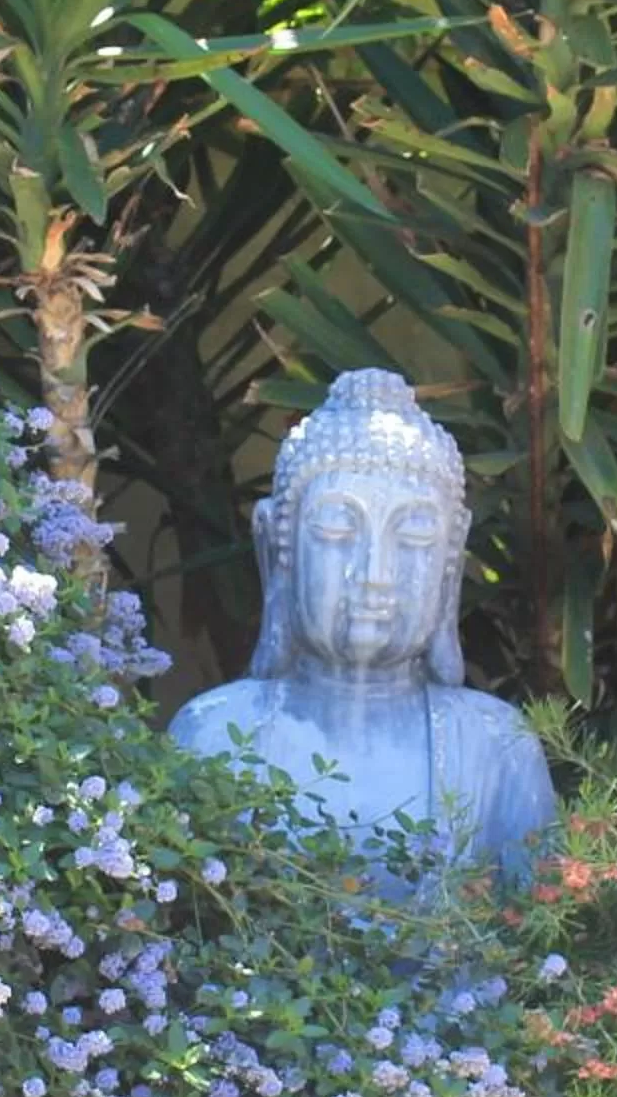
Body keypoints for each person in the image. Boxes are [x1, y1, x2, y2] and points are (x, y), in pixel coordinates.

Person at [168, 369, 557, 902]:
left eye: (415, 534)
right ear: (277, 553)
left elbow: (539, 946)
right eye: (338, 530)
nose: (376, 572)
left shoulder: (495, 746)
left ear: (450, 560)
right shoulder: (213, 734)